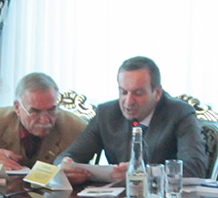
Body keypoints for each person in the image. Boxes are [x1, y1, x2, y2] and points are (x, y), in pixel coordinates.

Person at [56, 56, 208, 183]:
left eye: (138, 93)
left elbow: (195, 168)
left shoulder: (179, 113)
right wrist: (65, 166)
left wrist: (143, 173)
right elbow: (68, 156)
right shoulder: (106, 114)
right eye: (123, 92)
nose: (128, 101)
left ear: (157, 93)